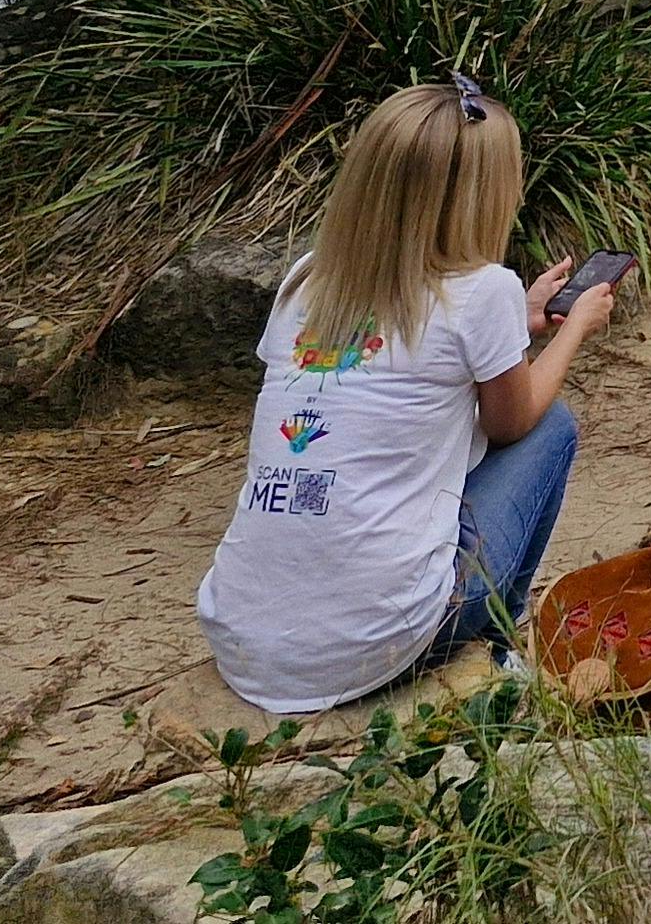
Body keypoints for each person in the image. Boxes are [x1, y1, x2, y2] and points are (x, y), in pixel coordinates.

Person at [195, 78, 619, 714]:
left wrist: (517, 326)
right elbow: (512, 422)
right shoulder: (484, 289)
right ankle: (496, 642)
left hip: (242, 637)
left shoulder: (307, 281)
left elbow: (396, 370)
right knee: (551, 427)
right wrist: (574, 328)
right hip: (381, 637)